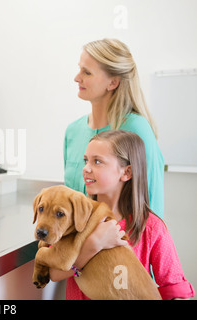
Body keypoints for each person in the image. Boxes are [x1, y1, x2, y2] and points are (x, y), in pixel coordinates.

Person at [51, 130, 194, 300]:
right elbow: (53, 272)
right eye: (86, 160)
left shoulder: (151, 227)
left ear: (126, 173)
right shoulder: (75, 218)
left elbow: (174, 289)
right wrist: (93, 245)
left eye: (97, 161)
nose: (86, 168)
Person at [64, 38, 165, 218]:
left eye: (86, 72)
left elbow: (151, 206)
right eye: (79, 69)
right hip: (83, 244)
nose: (76, 78)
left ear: (112, 83)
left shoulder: (136, 129)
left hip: (124, 243)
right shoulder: (73, 131)